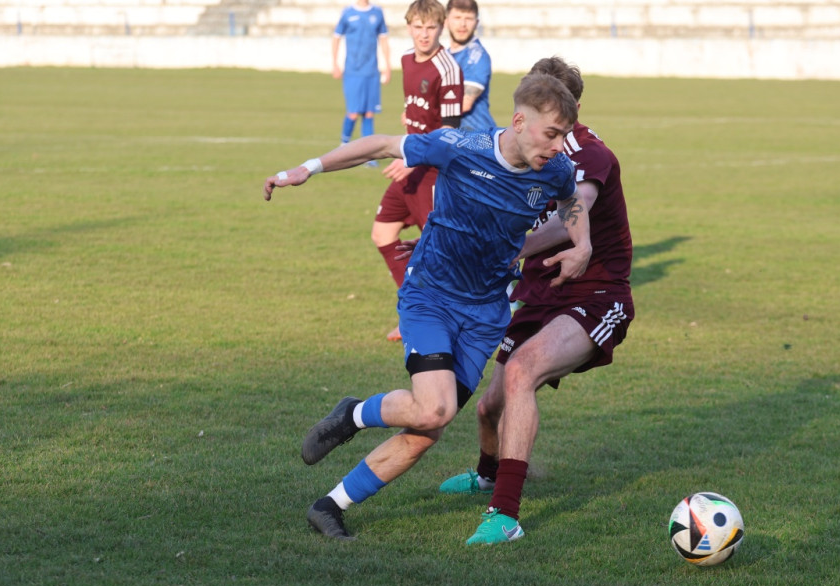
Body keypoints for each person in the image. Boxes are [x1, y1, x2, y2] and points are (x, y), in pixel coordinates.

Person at [263, 72, 592, 542]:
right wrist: (308, 168)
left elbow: (571, 203)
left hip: (484, 317)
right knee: (435, 410)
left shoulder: (554, 169)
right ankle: (354, 414)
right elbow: (380, 145)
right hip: (432, 297)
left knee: (424, 429)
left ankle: (329, 506)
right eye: (552, 134)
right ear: (519, 121)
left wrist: (582, 245)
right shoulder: (461, 146)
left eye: (565, 137)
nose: (559, 147)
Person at [437, 57, 635, 545]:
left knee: (523, 370)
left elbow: (573, 212)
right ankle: (487, 473)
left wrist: (512, 246)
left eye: (557, 115)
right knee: (488, 409)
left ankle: (505, 515)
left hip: (597, 294)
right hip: (541, 295)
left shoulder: (591, 157)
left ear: (571, 112)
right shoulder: (526, 153)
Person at [374, 0, 464, 342]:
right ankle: (412, 312)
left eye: (431, 28)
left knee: (441, 251)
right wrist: (409, 117)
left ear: (441, 28)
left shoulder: (449, 68)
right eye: (418, 27)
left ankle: (466, 312)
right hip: (411, 165)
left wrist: (411, 156)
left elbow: (451, 134)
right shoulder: (407, 60)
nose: (424, 35)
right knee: (383, 233)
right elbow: (419, 109)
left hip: (433, 172)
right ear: (409, 26)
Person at [332, 0, 392, 151]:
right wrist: (335, 63)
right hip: (353, 71)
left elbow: (383, 39)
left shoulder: (377, 12)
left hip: (371, 71)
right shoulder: (348, 13)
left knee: (369, 113)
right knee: (353, 113)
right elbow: (336, 37)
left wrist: (387, 66)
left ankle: (368, 154)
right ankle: (343, 145)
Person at [444, 0, 495, 132]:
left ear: (476, 23)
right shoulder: (444, 56)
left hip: (479, 139)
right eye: (457, 17)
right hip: (454, 138)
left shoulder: (477, 56)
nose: (463, 24)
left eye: (468, 18)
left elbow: (464, 104)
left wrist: (421, 112)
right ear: (446, 21)